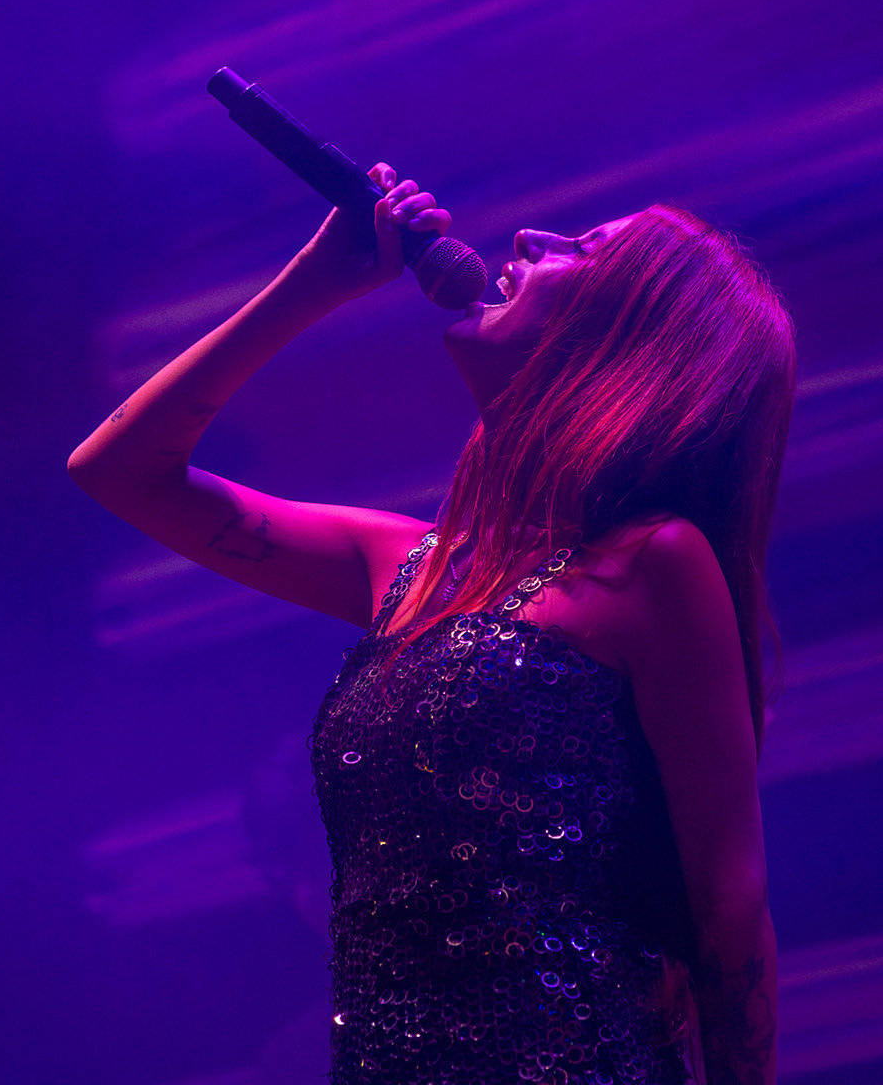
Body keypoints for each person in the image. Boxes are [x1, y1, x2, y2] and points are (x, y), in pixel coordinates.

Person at [69, 164, 793, 1084]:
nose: (531, 238)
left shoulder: (651, 564)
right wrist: (312, 284)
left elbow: (729, 905)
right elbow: (119, 470)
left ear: (627, 342)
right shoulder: (403, 565)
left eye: (583, 250)